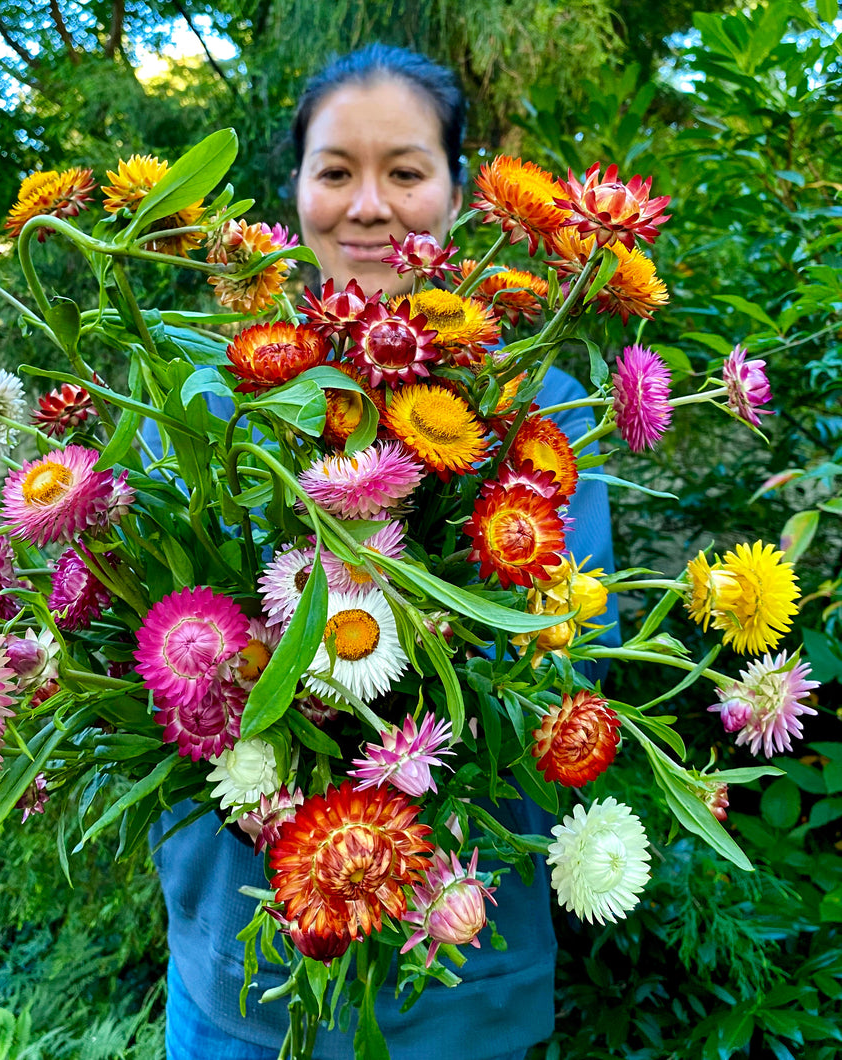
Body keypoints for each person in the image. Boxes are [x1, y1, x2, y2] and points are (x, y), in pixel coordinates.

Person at [151, 44, 619, 1060]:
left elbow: (571, 668)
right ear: (294, 192)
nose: (368, 206)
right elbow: (129, 651)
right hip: (239, 981)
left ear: (456, 195)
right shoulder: (193, 406)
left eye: (404, 171)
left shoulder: (536, 426)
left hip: (459, 991)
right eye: (334, 171)